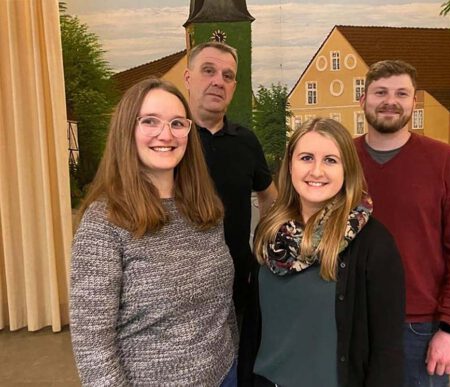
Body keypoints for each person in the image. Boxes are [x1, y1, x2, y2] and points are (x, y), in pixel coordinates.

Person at [69, 78, 237, 386]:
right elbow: (92, 346)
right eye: (150, 121)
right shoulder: (104, 222)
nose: (166, 134)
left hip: (224, 373)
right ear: (127, 130)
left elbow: (221, 307)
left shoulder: (205, 207)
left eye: (177, 123)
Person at [238, 118, 406, 387]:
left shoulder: (372, 244)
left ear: (347, 169)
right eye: (306, 158)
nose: (316, 171)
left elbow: (387, 351)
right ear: (290, 165)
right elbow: (253, 326)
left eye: (330, 160)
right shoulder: (270, 233)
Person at [355, 60, 450, 387]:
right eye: (380, 92)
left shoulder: (446, 163)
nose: (390, 101)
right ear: (363, 99)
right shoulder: (340, 161)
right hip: (348, 319)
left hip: (419, 327)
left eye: (401, 93)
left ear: (414, 102)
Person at [184, 41, 278, 314]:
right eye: (208, 71)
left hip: (238, 284)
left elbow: (270, 196)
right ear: (188, 78)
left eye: (227, 76)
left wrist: (263, 248)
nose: (218, 82)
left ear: (234, 87)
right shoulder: (171, 140)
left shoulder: (246, 141)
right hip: (183, 288)